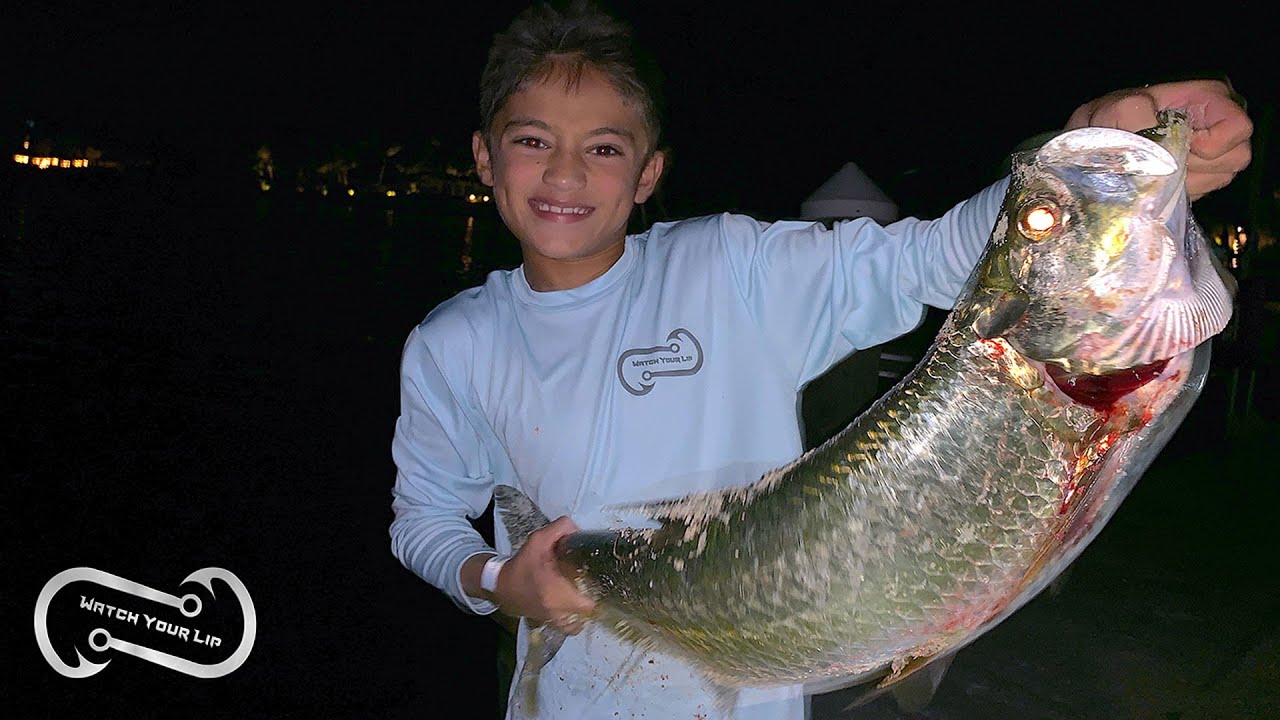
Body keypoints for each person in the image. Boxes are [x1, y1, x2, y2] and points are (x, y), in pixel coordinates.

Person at [388, 3, 1254, 718]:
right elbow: (423, 517)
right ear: (484, 156)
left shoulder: (731, 268)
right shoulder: (452, 343)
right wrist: (500, 578)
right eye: (533, 140)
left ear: (648, 173)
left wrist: (1088, 150)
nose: (566, 174)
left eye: (605, 148)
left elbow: (925, 259)